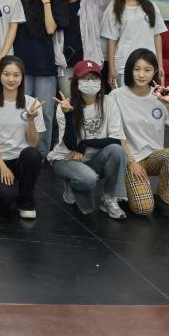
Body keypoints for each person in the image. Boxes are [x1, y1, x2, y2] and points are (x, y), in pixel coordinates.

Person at [110, 49, 169, 218]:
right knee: (144, 208)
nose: (141, 75)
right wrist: (132, 162)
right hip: (130, 158)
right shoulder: (117, 95)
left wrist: (168, 104)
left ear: (155, 71)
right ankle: (127, 189)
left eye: (147, 70)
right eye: (137, 69)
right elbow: (116, 134)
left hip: (153, 156)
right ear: (130, 70)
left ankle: (166, 199)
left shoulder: (161, 93)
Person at [47, 61, 128, 219]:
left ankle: (109, 199)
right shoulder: (66, 105)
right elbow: (71, 145)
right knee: (87, 181)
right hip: (66, 159)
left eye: (94, 78)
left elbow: (116, 140)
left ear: (100, 81)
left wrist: (85, 143)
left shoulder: (109, 102)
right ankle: (72, 181)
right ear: (76, 82)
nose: (90, 82)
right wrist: (68, 114)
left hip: (92, 158)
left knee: (117, 151)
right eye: (85, 78)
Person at [0, 56, 45, 219]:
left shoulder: (32, 103)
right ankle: (9, 190)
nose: (11, 79)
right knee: (7, 198)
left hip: (20, 158)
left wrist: (30, 121)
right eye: (7, 74)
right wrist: (2, 167)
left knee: (32, 154)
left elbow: (33, 143)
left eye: (16, 75)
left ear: (22, 77)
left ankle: (27, 201)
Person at [13, 0, 66, 158]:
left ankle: (42, 153)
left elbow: (51, 29)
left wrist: (46, 2)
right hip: (21, 64)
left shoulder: (56, 2)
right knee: (22, 110)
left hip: (45, 65)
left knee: (45, 113)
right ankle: (21, 151)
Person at [102, 0, 167, 89]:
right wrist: (111, 69)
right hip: (124, 63)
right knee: (124, 98)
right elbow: (111, 41)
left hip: (148, 63)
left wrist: (160, 64)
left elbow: (157, 36)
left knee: (147, 98)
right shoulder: (114, 9)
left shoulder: (151, 7)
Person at [54, 0, 115, 94]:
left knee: (91, 101)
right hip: (66, 64)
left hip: (89, 61)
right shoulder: (58, 4)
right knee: (69, 102)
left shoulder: (92, 0)